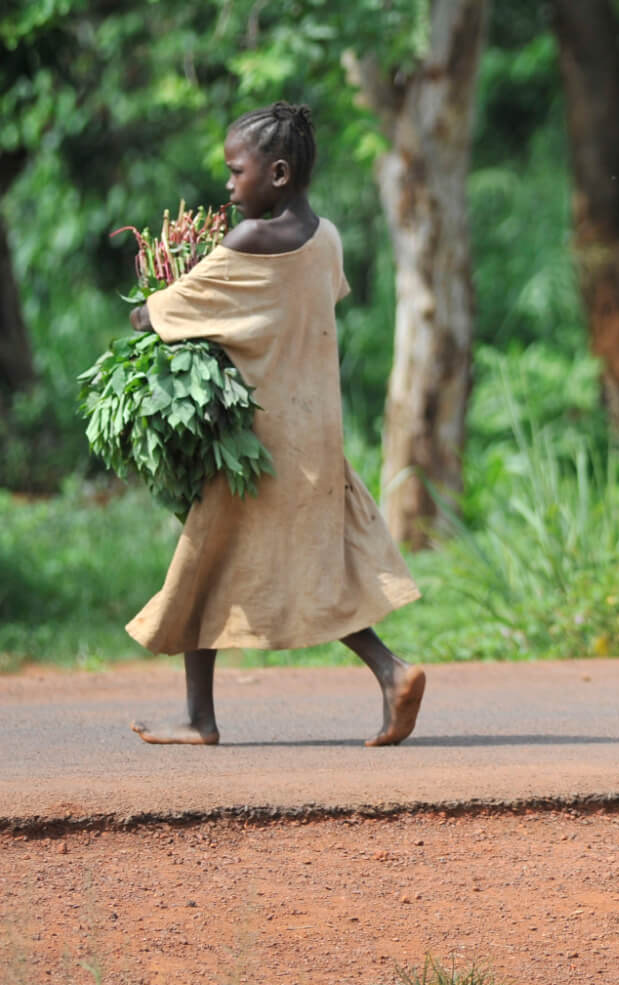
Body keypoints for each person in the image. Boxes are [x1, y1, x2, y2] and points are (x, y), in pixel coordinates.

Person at [126, 102, 426, 748]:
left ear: (279, 173)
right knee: (316, 568)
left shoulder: (248, 242)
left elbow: (163, 313)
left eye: (237, 172)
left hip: (257, 443)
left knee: (202, 560)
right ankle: (389, 672)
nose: (229, 186)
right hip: (315, 436)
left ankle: (201, 718)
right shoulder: (328, 239)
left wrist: (148, 307)